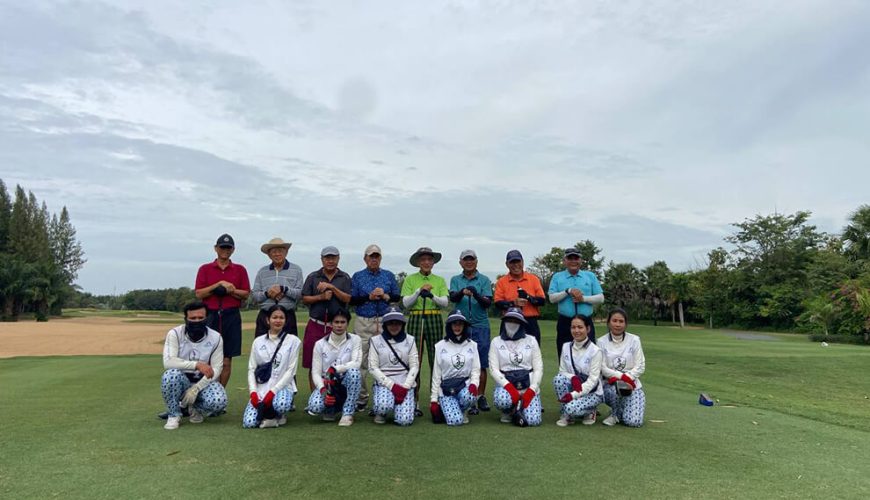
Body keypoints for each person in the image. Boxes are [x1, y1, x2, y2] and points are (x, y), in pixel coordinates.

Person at [160, 301, 228, 430]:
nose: (197, 321)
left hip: (203, 382)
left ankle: (195, 408)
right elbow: (168, 362)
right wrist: (197, 365)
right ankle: (174, 414)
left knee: (219, 402)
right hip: (181, 380)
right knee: (170, 376)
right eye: (192, 318)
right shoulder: (174, 334)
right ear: (186, 319)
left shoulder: (216, 337)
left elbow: (217, 369)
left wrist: (196, 389)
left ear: (206, 318)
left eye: (200, 318)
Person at [194, 233, 250, 387]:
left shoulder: (240, 269)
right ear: (215, 248)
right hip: (210, 315)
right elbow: (199, 293)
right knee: (207, 358)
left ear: (233, 249)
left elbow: (245, 293)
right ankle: (205, 392)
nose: (225, 250)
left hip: (231, 315)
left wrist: (231, 289)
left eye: (228, 247)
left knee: (226, 360)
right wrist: (218, 284)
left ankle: (220, 393)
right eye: (222, 247)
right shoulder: (205, 269)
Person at [349, 244, 400, 412]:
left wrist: (384, 296)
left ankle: (384, 394)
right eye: (371, 256)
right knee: (361, 361)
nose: (374, 259)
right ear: (365, 258)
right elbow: (352, 299)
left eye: (376, 256)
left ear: (380, 258)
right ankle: (362, 397)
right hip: (364, 321)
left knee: (385, 361)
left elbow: (396, 297)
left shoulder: (388, 275)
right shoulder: (357, 276)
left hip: (385, 322)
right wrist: (368, 297)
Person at [401, 246, 449, 413]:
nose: (427, 262)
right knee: (415, 359)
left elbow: (445, 302)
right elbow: (406, 303)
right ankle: (413, 401)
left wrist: (432, 296)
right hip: (416, 317)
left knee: (436, 359)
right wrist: (418, 291)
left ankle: (436, 398)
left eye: (429, 259)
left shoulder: (440, 280)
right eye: (423, 260)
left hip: (434, 317)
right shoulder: (410, 279)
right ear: (418, 262)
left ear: (433, 262)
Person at [448, 249, 493, 414]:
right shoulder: (455, 280)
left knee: (481, 363)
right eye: (466, 260)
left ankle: (480, 396)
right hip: (461, 325)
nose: (469, 262)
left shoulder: (484, 280)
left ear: (476, 261)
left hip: (481, 325)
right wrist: (462, 291)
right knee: (464, 363)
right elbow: (453, 298)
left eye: (471, 259)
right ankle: (467, 395)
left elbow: (487, 303)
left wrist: (475, 293)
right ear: (461, 262)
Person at [243, 305, 302, 429]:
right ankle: (269, 416)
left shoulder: (293, 341)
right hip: (262, 387)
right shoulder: (258, 342)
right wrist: (253, 392)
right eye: (275, 317)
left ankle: (278, 414)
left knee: (281, 404)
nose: (278, 320)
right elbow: (251, 369)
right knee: (249, 423)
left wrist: (272, 392)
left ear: (286, 321)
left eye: (281, 318)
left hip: (282, 387)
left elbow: (291, 371)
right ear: (267, 320)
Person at [301, 246, 352, 390]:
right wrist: (321, 297)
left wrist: (332, 288)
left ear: (338, 259)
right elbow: (304, 299)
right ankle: (315, 397)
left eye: (333, 258)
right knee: (313, 363)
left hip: (337, 327)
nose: (330, 261)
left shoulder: (344, 277)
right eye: (327, 258)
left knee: (338, 364)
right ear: (322, 259)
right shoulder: (313, 277)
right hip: (316, 324)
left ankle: (335, 397)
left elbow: (348, 298)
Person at [305, 308, 362, 427]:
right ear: (331, 324)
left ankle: (347, 413)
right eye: (336, 322)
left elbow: (356, 363)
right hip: (328, 383)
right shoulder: (320, 344)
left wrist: (335, 369)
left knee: (354, 373)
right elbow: (315, 372)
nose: (339, 325)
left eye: (343, 322)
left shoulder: (355, 340)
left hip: (346, 381)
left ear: (347, 323)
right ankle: (331, 409)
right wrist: (323, 390)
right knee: (315, 406)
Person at [488, 307, 543, 427]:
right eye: (509, 320)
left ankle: (521, 407)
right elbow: (493, 369)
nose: (512, 324)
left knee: (534, 421)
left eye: (516, 321)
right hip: (506, 386)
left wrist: (532, 390)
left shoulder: (531, 340)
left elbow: (538, 368)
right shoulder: (496, 342)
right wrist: (509, 388)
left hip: (527, 384)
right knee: (502, 400)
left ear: (522, 323)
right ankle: (509, 411)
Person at [369, 307, 420, 426]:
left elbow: (414, 366)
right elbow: (372, 367)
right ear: (385, 324)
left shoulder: (410, 340)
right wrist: (392, 386)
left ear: (402, 324)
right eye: (390, 323)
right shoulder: (375, 341)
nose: (394, 326)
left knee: (405, 420)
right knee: (383, 406)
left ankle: (402, 407)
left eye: (397, 323)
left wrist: (405, 387)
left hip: (404, 382)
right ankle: (381, 412)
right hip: (385, 382)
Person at [548, 247, 604, 354]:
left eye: (576, 258)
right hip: (565, 322)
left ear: (581, 260)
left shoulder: (590, 276)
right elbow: (552, 298)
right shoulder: (557, 277)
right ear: (565, 261)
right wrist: (567, 291)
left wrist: (583, 299)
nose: (573, 261)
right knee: (565, 354)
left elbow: (600, 298)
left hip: (586, 321)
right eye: (570, 258)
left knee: (590, 354)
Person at [429, 310, 481, 426]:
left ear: (464, 326)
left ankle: (462, 410)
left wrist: (474, 384)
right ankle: (447, 409)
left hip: (464, 385)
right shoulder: (440, 346)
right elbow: (436, 375)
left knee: (470, 397)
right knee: (455, 421)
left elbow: (475, 369)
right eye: (454, 324)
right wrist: (433, 400)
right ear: (449, 326)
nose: (457, 327)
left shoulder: (472, 345)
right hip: (447, 388)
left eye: (460, 324)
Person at [597, 308, 646, 427]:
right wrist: (621, 377)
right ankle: (615, 413)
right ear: (608, 323)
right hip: (610, 384)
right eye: (614, 321)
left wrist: (627, 378)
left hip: (632, 385)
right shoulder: (601, 341)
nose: (617, 324)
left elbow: (640, 365)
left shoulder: (634, 340)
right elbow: (602, 367)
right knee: (616, 389)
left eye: (621, 321)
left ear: (626, 324)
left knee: (634, 422)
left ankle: (618, 413)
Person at [552, 314, 603, 427]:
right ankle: (568, 415)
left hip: (592, 392)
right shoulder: (566, 346)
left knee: (571, 408)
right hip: (574, 387)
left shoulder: (595, 351)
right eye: (573, 327)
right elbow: (562, 371)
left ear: (588, 329)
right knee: (558, 379)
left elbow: (593, 381)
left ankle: (590, 411)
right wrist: (573, 377)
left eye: (580, 327)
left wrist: (573, 395)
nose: (576, 331)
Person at [251, 237, 304, 337]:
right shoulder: (262, 271)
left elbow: (300, 294)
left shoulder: (296, 270)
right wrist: (268, 293)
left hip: (288, 316)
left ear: (286, 252)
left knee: (288, 349)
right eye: (273, 251)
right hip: (265, 316)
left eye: (280, 251)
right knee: (262, 350)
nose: (277, 254)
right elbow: (255, 295)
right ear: (269, 255)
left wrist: (284, 289)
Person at [493, 250, 546, 345]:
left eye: (518, 261)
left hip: (530, 321)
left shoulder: (533, 279)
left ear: (522, 262)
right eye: (512, 262)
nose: (515, 265)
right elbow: (498, 303)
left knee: (532, 353)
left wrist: (528, 297)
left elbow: (542, 301)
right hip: (510, 321)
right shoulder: (502, 281)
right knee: (506, 353)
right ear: (507, 264)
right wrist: (513, 303)